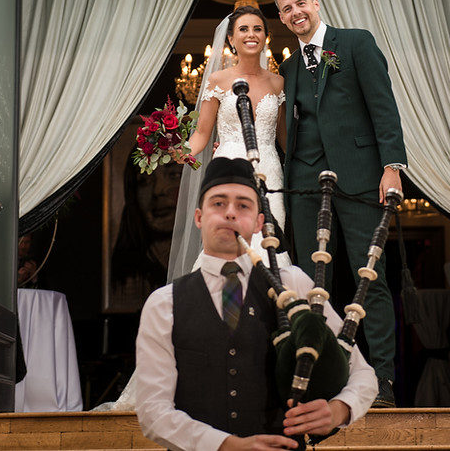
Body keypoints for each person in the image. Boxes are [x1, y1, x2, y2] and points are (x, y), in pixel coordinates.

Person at [115, 157, 377, 451]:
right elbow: (153, 414)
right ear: (198, 217)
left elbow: (362, 374)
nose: (230, 213)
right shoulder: (164, 305)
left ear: (259, 222)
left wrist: (339, 409)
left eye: (243, 205)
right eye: (218, 203)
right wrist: (227, 445)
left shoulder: (293, 285)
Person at [273, 0, 408, 408]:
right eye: (286, 10)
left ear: (314, 3)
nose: (296, 13)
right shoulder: (289, 69)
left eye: (300, 4)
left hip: (362, 178)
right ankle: (326, 380)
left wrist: (392, 168)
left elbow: (383, 107)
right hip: (306, 187)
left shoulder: (354, 44)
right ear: (282, 18)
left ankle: (383, 381)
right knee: (315, 287)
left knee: (373, 279)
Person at [168, 5, 290, 282]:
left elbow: (284, 138)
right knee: (227, 240)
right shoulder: (218, 80)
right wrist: (178, 152)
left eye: (258, 29)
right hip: (228, 169)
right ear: (231, 39)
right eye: (244, 29)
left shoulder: (279, 83)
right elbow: (201, 133)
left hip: (270, 174)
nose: (251, 34)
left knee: (269, 242)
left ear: (266, 37)